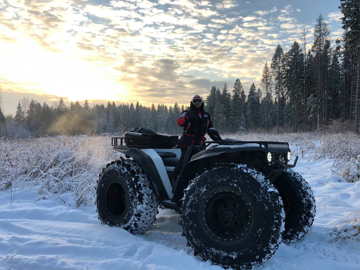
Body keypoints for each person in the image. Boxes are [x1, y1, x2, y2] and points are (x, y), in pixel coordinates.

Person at [173, 94, 221, 183]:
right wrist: (188, 118)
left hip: (200, 144)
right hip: (187, 143)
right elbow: (179, 122)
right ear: (192, 102)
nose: (197, 103)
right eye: (195, 101)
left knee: (201, 164)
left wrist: (218, 139)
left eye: (199, 101)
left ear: (201, 102)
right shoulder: (187, 113)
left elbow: (210, 128)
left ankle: (197, 182)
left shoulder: (206, 115)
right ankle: (175, 179)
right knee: (183, 162)